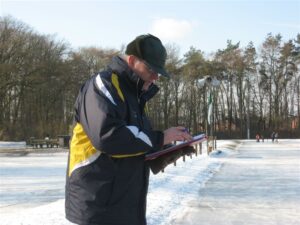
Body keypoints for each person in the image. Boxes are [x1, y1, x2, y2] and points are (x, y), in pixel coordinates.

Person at [65, 34, 196, 225]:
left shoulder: (135, 97)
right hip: (98, 208)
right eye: (151, 69)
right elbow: (108, 137)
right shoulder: (102, 85)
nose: (156, 77)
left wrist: (166, 152)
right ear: (133, 60)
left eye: (159, 72)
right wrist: (160, 138)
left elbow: (134, 148)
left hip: (126, 207)